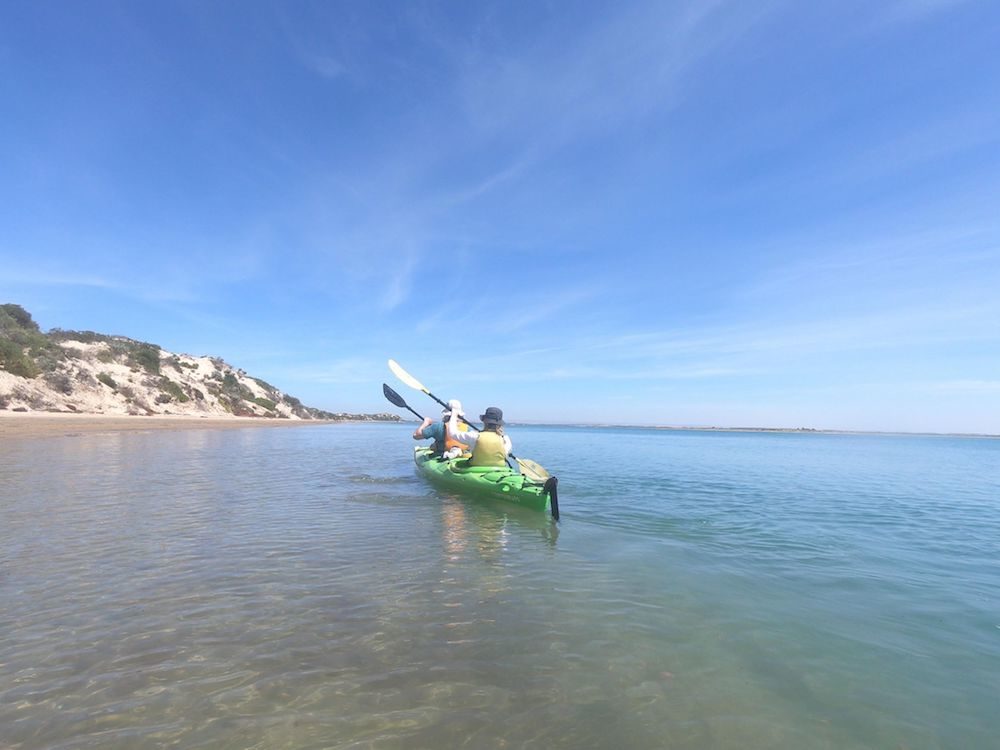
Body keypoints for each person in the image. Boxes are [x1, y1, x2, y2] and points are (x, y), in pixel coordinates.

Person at [448, 406, 512, 467]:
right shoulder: (505, 439)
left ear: (484, 421)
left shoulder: (474, 436)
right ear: (500, 424)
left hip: (475, 467)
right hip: (499, 468)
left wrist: (454, 415)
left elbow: (452, 433)